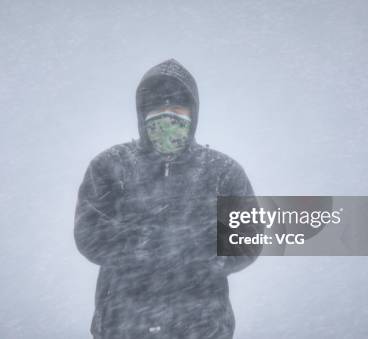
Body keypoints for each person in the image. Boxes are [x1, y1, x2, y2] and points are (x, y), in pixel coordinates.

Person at [74, 59, 261, 339]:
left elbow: (249, 239)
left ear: (193, 113)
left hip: (203, 326)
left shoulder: (222, 171)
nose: (167, 116)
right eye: (157, 108)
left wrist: (198, 249)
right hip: (124, 324)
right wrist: (147, 243)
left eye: (176, 108)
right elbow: (89, 234)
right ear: (142, 113)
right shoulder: (110, 166)